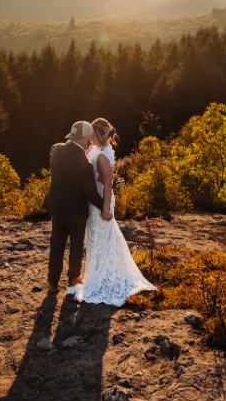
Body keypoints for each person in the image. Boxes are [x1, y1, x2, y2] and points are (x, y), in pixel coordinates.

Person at [67, 118, 156, 306]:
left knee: (101, 238)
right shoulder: (96, 150)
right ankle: (100, 272)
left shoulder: (102, 156)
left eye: (92, 134)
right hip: (95, 201)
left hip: (102, 201)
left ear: (100, 134)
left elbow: (108, 183)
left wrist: (106, 209)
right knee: (97, 238)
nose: (90, 137)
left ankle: (105, 278)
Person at [43, 121, 112, 295]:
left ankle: (53, 282)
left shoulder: (56, 149)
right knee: (75, 245)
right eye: (89, 138)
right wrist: (105, 207)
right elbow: (90, 194)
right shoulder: (84, 164)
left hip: (56, 206)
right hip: (76, 212)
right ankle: (73, 278)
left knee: (56, 243)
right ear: (85, 138)